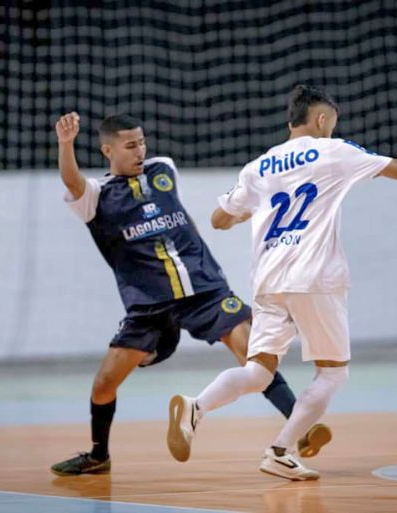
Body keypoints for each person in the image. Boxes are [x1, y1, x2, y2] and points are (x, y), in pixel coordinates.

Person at [167, 84, 397, 480]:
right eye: (332, 122)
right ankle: (279, 451)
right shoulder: (335, 151)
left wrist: (247, 212)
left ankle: (196, 406)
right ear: (321, 119)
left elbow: (219, 219)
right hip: (315, 278)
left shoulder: (259, 166)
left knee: (258, 371)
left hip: (268, 280)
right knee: (333, 372)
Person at [51, 112, 331, 476]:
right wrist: (66, 144)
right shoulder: (97, 196)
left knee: (254, 353)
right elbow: (73, 183)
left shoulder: (163, 170)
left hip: (204, 289)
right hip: (148, 306)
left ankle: (302, 427)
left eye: (142, 142)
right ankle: (98, 454)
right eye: (130, 145)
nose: (141, 150)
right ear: (108, 150)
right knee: (104, 385)